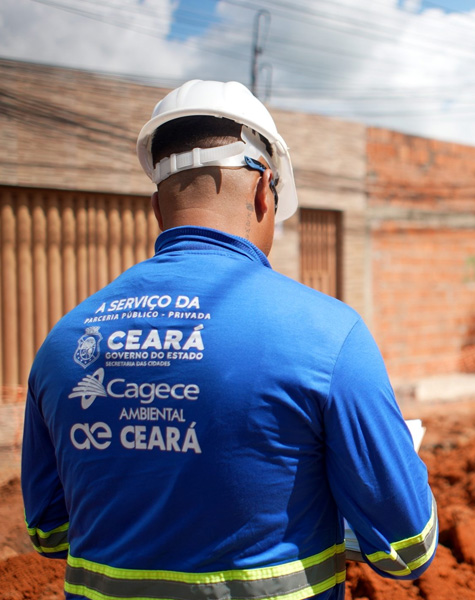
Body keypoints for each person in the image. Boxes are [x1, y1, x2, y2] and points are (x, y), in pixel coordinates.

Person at [21, 80, 437, 600]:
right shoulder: (329, 335)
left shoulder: (63, 341)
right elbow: (408, 548)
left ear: (157, 206)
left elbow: (48, 531)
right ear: (264, 191)